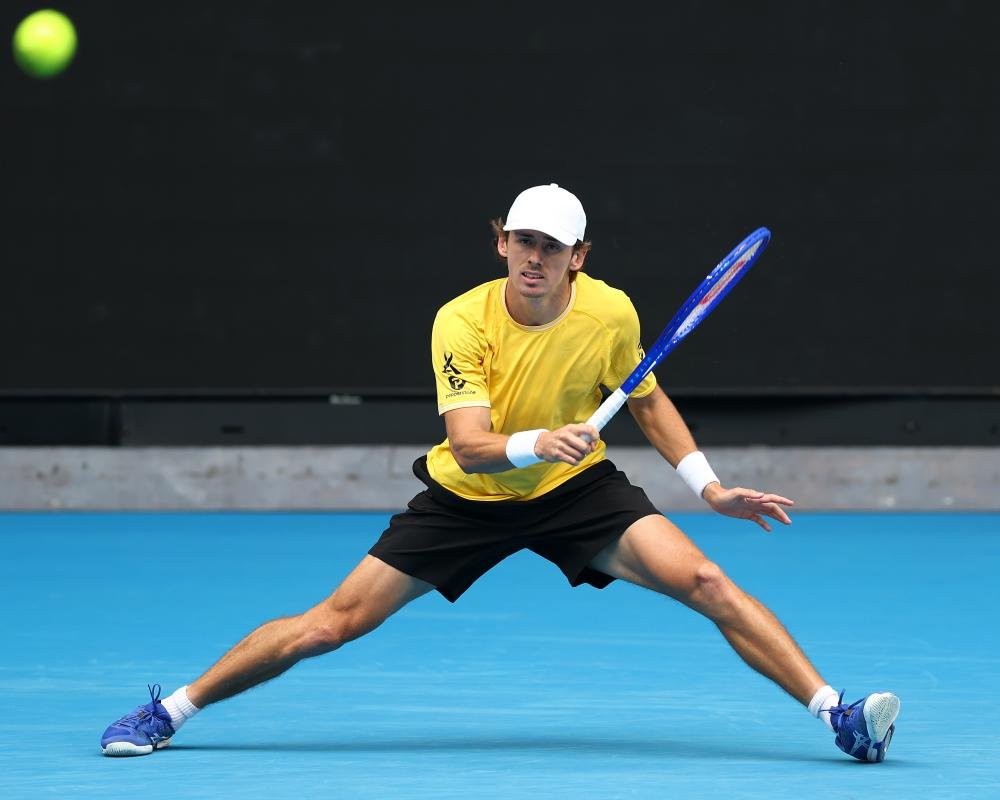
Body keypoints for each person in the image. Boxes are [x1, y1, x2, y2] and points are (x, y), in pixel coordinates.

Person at [100, 183, 899, 762]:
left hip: (573, 493)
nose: (535, 258)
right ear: (501, 243)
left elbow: (647, 400)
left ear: (578, 258)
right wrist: (537, 441)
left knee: (708, 582)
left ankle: (840, 718)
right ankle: (169, 710)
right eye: (523, 241)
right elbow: (472, 442)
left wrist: (709, 487)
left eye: (553, 247)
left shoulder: (611, 312)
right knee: (329, 625)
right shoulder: (461, 318)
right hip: (469, 495)